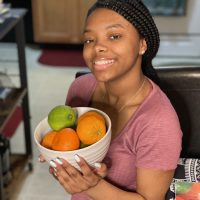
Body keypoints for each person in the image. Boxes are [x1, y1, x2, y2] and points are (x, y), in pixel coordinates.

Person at [40, 0, 182, 199]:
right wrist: (61, 163)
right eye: (89, 40)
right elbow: (71, 151)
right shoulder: (80, 89)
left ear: (142, 44)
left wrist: (92, 185)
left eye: (114, 36)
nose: (98, 47)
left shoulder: (159, 121)